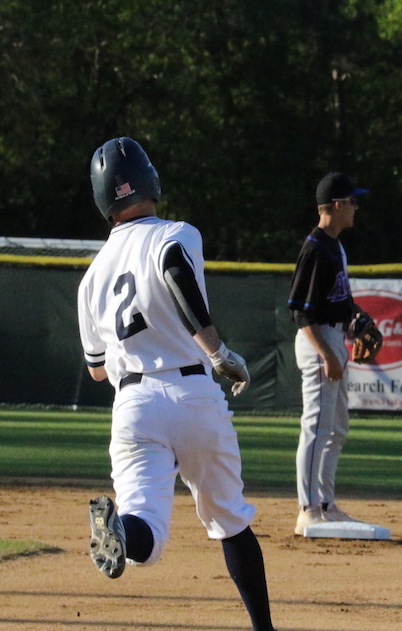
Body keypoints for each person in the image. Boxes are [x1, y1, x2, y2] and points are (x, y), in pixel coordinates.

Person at [77, 137, 277, 631]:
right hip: (192, 392)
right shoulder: (178, 233)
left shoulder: (91, 278)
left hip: (133, 404)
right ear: (148, 180)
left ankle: (119, 530)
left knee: (145, 534)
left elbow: (97, 369)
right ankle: (264, 630)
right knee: (229, 519)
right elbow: (172, 272)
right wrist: (218, 352)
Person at [287, 171, 375, 536]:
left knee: (336, 428)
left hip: (333, 336)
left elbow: (340, 300)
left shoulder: (336, 246)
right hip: (317, 341)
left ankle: (326, 504)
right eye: (352, 202)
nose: (356, 207)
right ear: (337, 205)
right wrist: (327, 355)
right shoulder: (315, 248)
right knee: (317, 425)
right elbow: (300, 310)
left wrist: (357, 321)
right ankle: (308, 508)